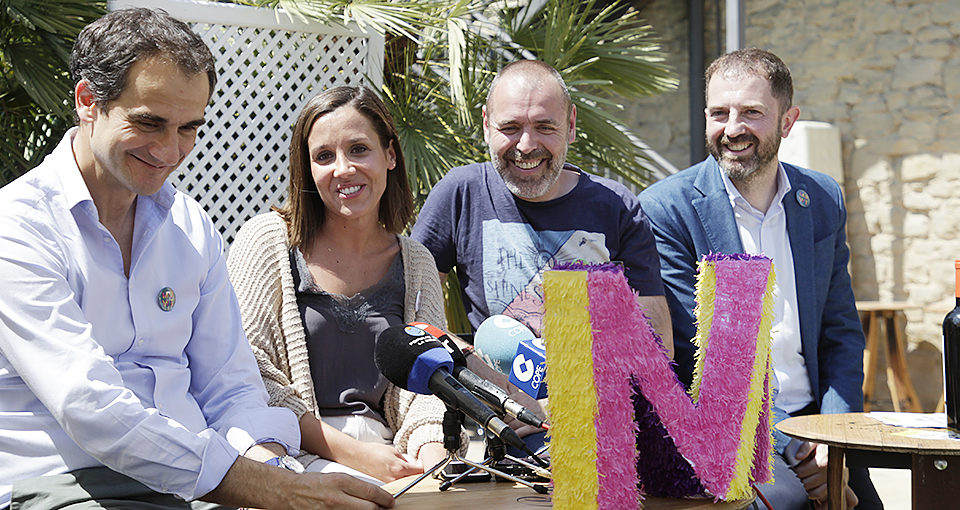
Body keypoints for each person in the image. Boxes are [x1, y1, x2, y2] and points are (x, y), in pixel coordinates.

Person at [0, 9, 392, 510]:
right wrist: (263, 486)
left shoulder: (189, 224)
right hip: (64, 486)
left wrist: (271, 466)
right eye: (149, 123)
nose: (170, 150)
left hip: (194, 485)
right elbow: (88, 404)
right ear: (88, 102)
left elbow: (230, 384)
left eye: (189, 128)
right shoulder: (18, 227)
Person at [638, 48, 881, 510]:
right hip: (732, 427)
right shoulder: (667, 209)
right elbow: (701, 355)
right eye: (719, 113)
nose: (732, 129)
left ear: (787, 121)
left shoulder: (822, 198)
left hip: (819, 423)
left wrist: (835, 436)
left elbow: (841, 333)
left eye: (751, 112)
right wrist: (796, 446)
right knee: (790, 506)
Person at [412, 60, 673, 440]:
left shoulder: (616, 206)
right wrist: (495, 389)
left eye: (545, 127)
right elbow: (416, 319)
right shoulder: (461, 192)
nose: (526, 145)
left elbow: (657, 344)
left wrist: (564, 405)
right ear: (486, 124)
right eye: (510, 127)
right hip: (501, 424)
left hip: (600, 422)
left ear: (571, 125)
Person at [227, 86, 454, 485]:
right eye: (324, 156)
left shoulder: (417, 262)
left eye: (359, 149)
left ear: (390, 155)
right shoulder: (266, 241)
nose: (343, 168)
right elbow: (247, 374)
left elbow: (430, 388)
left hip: (391, 457)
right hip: (287, 456)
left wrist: (433, 463)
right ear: (307, 169)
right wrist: (356, 457)